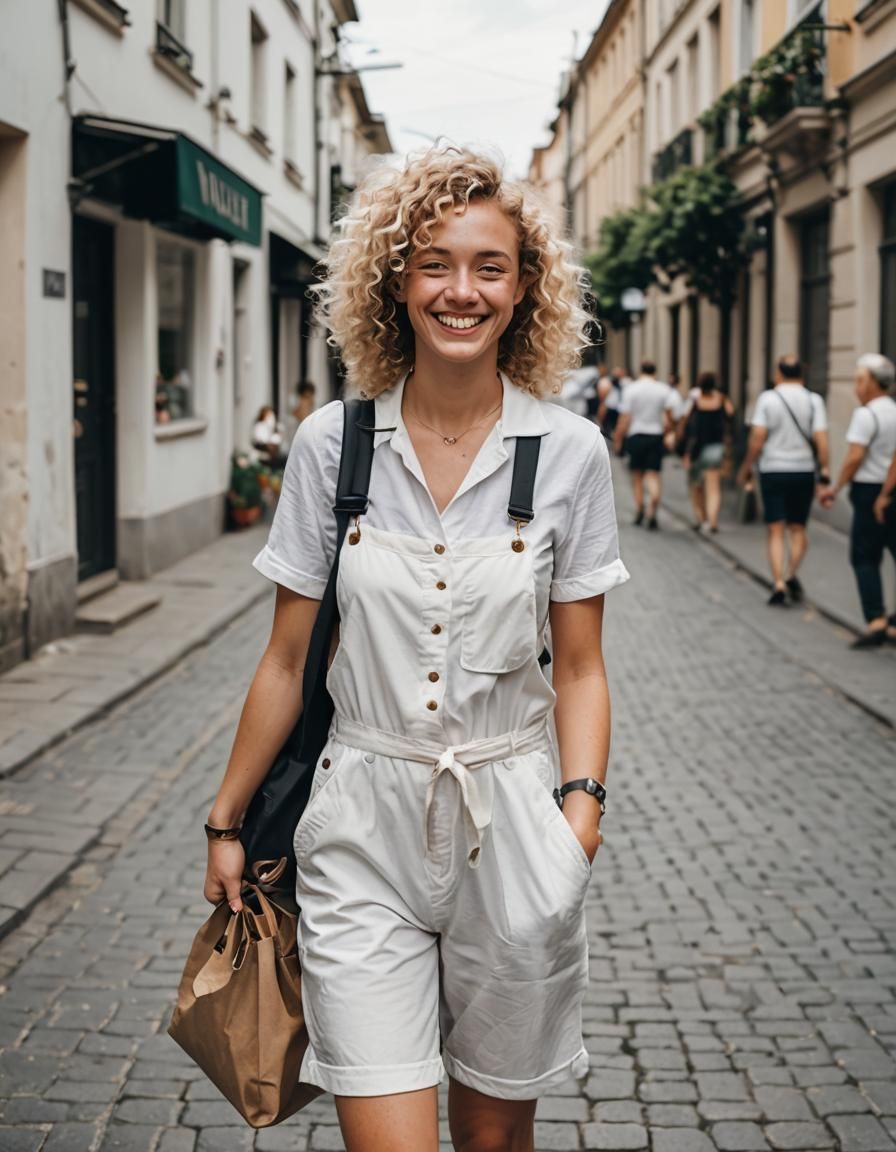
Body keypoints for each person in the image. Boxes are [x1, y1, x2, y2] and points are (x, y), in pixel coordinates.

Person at [203, 146, 630, 1152]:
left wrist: (578, 817)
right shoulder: (331, 447)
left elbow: (579, 667)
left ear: (523, 289)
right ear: (395, 281)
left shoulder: (568, 455)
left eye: (489, 266)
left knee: (492, 1142)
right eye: (434, 262)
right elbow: (283, 657)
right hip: (361, 829)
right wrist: (226, 818)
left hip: (513, 822)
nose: (460, 290)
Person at [737, 354, 830, 606]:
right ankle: (790, 574)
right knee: (798, 529)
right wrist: (825, 472)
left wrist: (746, 467)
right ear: (802, 373)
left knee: (775, 529)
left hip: (773, 470)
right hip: (803, 471)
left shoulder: (768, 399)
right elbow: (822, 440)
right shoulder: (814, 401)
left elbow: (757, 439)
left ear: (779, 373)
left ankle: (778, 582)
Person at [818, 353, 896, 648]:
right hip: (891, 489)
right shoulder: (893, 410)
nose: (856, 387)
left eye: (860, 380)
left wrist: (835, 487)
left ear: (874, 383)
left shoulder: (866, 414)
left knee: (864, 555)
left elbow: (854, 457)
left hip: (869, 491)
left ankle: (876, 620)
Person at [614, 358, 678, 529]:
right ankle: (653, 507)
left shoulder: (631, 390)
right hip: (656, 435)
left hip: (636, 435)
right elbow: (670, 418)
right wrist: (670, 432)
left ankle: (640, 508)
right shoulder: (664, 390)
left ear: (640, 370)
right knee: (653, 475)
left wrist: (618, 440)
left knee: (636, 476)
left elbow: (624, 418)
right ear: (655, 371)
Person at [681, 371, 735, 534]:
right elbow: (731, 414)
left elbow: (686, 424)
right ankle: (713, 522)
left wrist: (685, 451)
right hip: (716, 448)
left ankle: (700, 518)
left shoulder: (696, 402)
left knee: (695, 485)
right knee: (713, 488)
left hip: (697, 448)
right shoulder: (721, 399)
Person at [596, 363, 627, 440]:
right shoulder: (606, 383)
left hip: (620, 410)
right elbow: (603, 401)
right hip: (611, 409)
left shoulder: (625, 383)